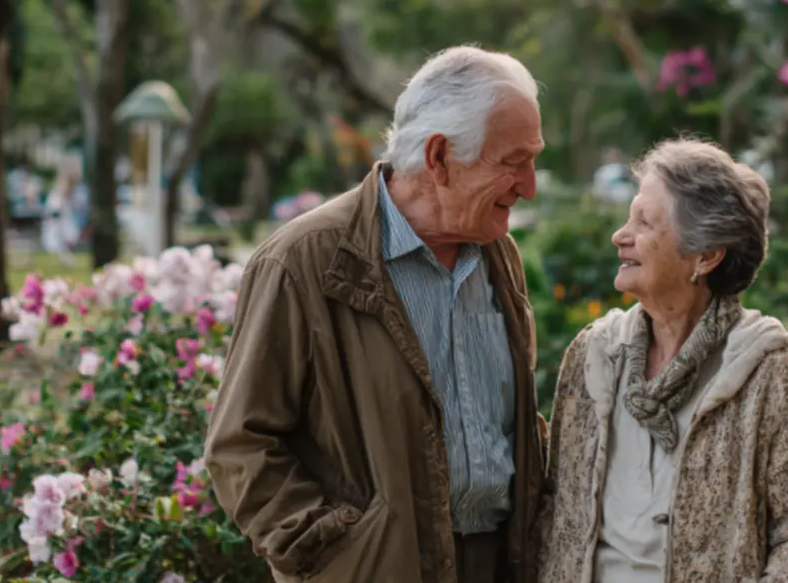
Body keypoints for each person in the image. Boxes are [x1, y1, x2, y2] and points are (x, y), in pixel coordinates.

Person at [206, 45, 548, 583]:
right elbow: (241, 444)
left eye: (534, 160)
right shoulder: (305, 261)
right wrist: (333, 556)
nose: (529, 186)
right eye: (512, 163)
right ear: (438, 157)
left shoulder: (496, 253)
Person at [536, 137, 788, 583]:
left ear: (705, 255)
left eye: (643, 222)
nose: (619, 236)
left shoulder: (767, 371)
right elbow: (554, 509)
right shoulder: (594, 354)